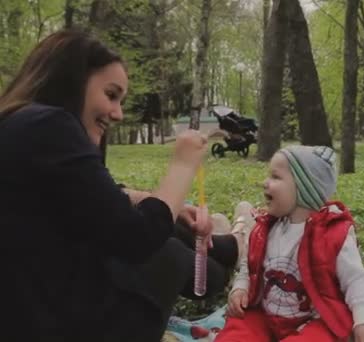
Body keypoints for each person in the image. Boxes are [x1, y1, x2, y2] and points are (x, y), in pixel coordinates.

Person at [0, 29, 239, 341]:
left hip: (37, 300)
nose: (118, 113)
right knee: (166, 253)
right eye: (111, 95)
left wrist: (156, 201)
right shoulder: (49, 124)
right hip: (57, 323)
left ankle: (229, 244)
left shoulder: (19, 123)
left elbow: (95, 196)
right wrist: (183, 165)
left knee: (165, 221)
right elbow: (137, 237)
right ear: (73, 80)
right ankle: (236, 245)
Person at [215, 146, 364, 342]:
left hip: (316, 319)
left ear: (305, 187)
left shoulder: (333, 234)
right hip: (265, 315)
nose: (265, 183)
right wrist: (241, 288)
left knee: (322, 336)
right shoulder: (266, 229)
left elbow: (356, 280)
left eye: (275, 177)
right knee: (238, 328)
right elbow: (249, 267)